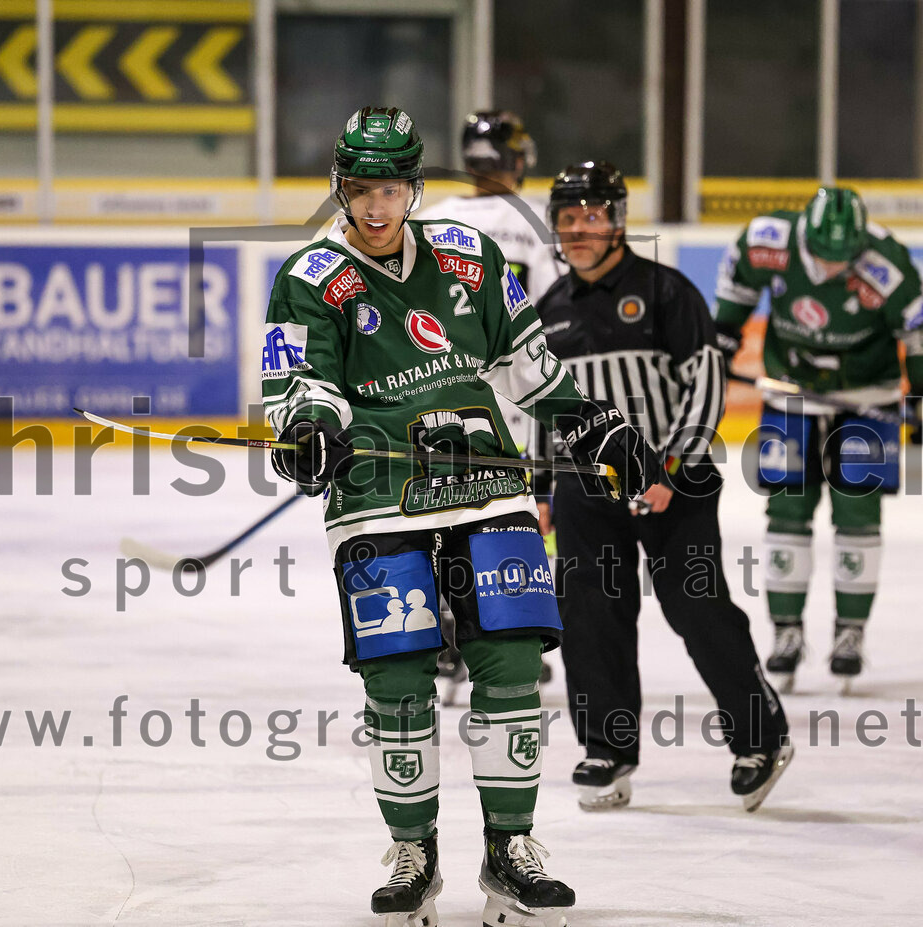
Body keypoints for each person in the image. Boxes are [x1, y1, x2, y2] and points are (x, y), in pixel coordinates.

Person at [262, 108, 658, 927]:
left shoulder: (470, 257)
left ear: (414, 188)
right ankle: (414, 849)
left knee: (511, 664)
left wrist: (590, 420)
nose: (375, 209)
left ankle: (509, 847)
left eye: (391, 190)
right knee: (399, 680)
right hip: (376, 491)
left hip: (488, 481)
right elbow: (300, 383)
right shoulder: (309, 277)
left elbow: (525, 362)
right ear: (340, 188)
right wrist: (308, 428)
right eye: (360, 191)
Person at [533, 160, 792, 813]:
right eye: (568, 218)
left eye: (592, 214)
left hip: (676, 476)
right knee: (591, 616)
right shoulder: (549, 310)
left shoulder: (664, 290)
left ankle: (760, 737)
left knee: (696, 608)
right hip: (585, 482)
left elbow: (706, 380)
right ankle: (607, 748)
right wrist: (540, 487)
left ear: (617, 220)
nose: (579, 228)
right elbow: (540, 402)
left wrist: (671, 467)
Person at [714, 186, 923, 694]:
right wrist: (719, 342)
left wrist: (919, 396)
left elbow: (918, 335)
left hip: (865, 398)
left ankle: (850, 634)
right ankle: (786, 633)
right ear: (802, 236)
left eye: (841, 259)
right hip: (792, 395)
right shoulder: (766, 240)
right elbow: (735, 296)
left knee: (858, 514)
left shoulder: (888, 263)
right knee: (787, 511)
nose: (830, 268)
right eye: (820, 257)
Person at [418, 109, 565, 700]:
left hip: (431, 394)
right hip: (513, 400)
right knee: (513, 516)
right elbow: (555, 320)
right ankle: (510, 632)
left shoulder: (429, 220)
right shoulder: (537, 225)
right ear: (516, 160)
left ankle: (446, 635)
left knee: (438, 514)